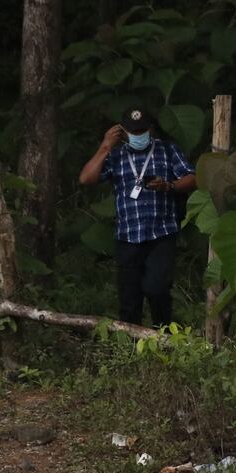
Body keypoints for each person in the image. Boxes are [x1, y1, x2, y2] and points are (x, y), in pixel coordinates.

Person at [78, 108, 197, 326]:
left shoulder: (167, 149)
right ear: (123, 131)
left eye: (142, 131)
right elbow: (86, 178)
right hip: (128, 236)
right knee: (129, 298)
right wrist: (105, 146)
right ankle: (131, 341)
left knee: (158, 288)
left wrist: (169, 185)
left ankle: (163, 335)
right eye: (133, 132)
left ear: (151, 129)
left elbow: (192, 177)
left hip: (161, 233)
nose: (138, 135)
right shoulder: (115, 155)